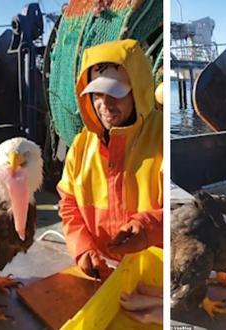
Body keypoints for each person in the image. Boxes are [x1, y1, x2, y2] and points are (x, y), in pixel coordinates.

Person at [57, 39, 163, 280]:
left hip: (155, 273)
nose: (104, 103)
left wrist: (148, 228)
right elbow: (68, 203)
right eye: (96, 93)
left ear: (138, 91)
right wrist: (82, 249)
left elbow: (184, 211)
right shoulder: (81, 145)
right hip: (101, 271)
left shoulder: (162, 138)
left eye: (116, 92)